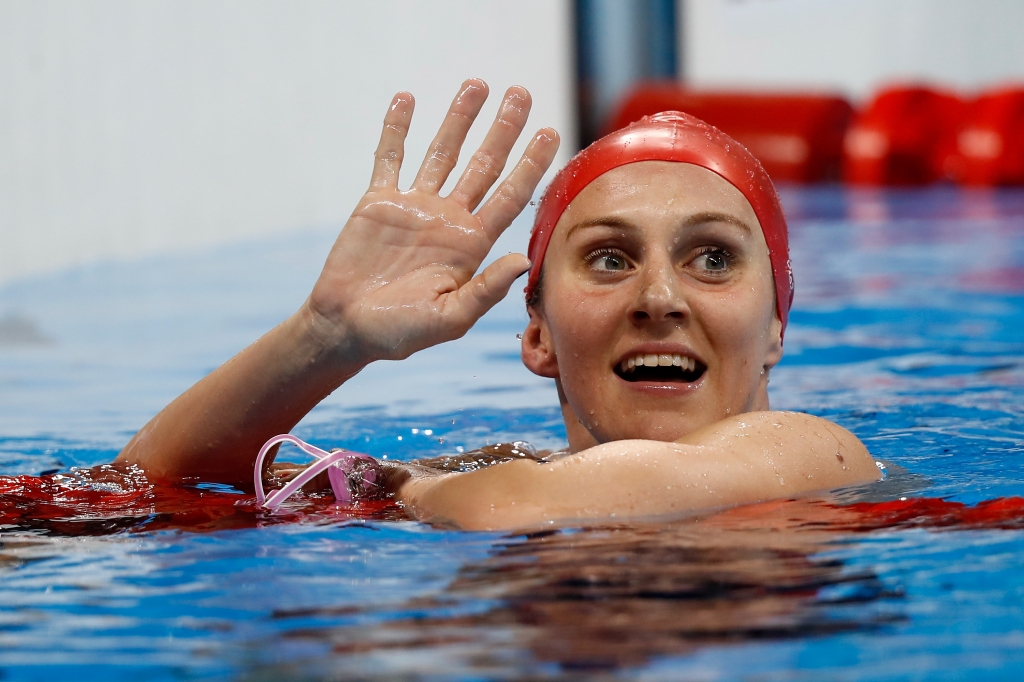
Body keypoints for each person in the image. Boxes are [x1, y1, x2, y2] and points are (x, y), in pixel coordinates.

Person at [115, 79, 880, 530]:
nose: (659, 298)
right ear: (538, 334)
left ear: (777, 327)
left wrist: (405, 491)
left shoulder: (814, 453)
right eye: (609, 258)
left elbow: (509, 509)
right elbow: (144, 492)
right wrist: (325, 340)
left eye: (712, 258)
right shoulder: (498, 468)